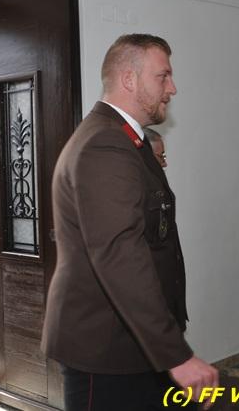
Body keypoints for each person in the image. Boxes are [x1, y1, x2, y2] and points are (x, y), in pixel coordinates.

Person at [42, 34, 219, 410]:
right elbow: (120, 255)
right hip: (106, 348)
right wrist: (176, 355)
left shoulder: (127, 141)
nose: (172, 88)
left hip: (131, 344)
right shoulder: (105, 145)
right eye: (163, 76)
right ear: (128, 79)